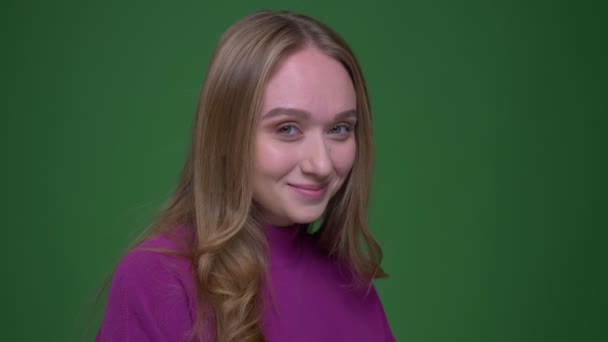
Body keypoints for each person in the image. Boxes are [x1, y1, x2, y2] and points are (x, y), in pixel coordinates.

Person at [96, 10, 395, 342]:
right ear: (227, 135)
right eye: (288, 129)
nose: (322, 165)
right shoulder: (157, 281)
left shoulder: (350, 281)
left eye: (339, 129)